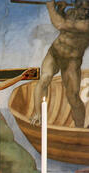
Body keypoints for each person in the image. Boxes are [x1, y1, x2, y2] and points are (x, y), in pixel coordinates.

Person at [31, 0, 89, 128]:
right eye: (83, 9)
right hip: (54, 53)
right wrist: (61, 10)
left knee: (73, 97)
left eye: (88, 9)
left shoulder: (86, 23)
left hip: (71, 62)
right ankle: (37, 114)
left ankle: (79, 128)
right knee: (44, 80)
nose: (86, 12)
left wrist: (50, 6)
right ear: (76, 6)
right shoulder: (71, 13)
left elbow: (60, 24)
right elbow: (64, 24)